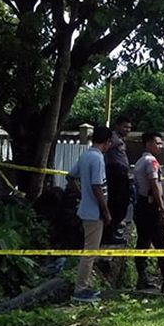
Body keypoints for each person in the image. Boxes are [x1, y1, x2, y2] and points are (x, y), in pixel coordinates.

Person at [66, 126, 112, 302]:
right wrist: (105, 211)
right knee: (90, 252)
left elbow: (70, 176)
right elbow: (96, 186)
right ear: (107, 142)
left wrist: (79, 193)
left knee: (90, 250)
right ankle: (80, 289)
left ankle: (84, 286)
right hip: (94, 212)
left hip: (86, 208)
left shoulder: (86, 155)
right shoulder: (98, 158)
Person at [133, 131, 164, 293]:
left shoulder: (139, 161)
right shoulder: (152, 162)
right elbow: (155, 185)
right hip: (151, 207)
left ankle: (142, 279)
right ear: (148, 144)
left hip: (141, 206)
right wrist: (162, 209)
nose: (161, 146)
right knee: (161, 244)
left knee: (143, 242)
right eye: (158, 143)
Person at [103, 116, 132, 245]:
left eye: (129, 128)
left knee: (123, 203)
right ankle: (109, 234)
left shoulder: (120, 139)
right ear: (118, 126)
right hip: (115, 173)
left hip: (121, 173)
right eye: (125, 127)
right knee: (117, 204)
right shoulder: (113, 138)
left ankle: (113, 230)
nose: (127, 130)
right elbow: (105, 149)